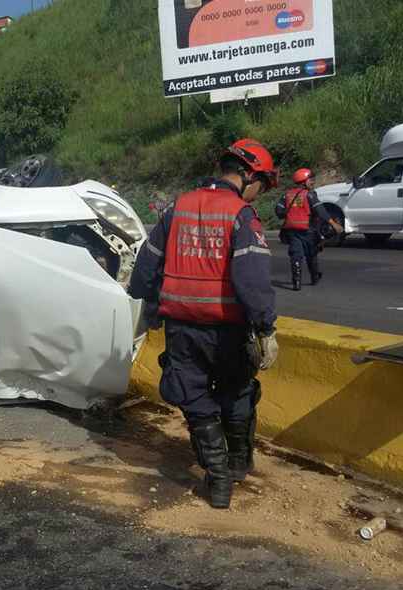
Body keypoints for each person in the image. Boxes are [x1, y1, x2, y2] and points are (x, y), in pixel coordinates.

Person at [128, 139, 280, 509]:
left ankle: (218, 480)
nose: (260, 193)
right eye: (262, 183)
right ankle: (239, 463)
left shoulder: (176, 208)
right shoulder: (241, 215)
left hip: (182, 329)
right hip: (228, 330)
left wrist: (147, 303)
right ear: (246, 174)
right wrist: (266, 328)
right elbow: (252, 279)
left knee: (194, 399)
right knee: (238, 392)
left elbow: (146, 265)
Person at [276, 168, 344, 291]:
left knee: (296, 256)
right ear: (303, 181)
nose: (312, 182)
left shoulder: (286, 194)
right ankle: (314, 278)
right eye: (310, 180)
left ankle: (296, 283)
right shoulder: (309, 194)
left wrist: (291, 211)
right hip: (308, 231)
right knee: (311, 255)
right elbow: (320, 210)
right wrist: (333, 223)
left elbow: (279, 212)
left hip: (292, 231)